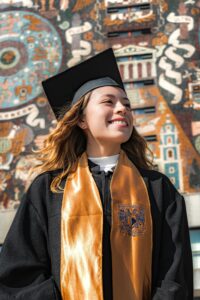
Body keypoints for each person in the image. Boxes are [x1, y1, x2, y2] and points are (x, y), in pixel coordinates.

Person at [0, 48, 193, 300]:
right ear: (81, 120)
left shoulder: (157, 188)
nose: (122, 109)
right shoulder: (50, 189)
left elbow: (175, 275)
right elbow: (18, 274)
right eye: (108, 102)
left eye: (126, 104)